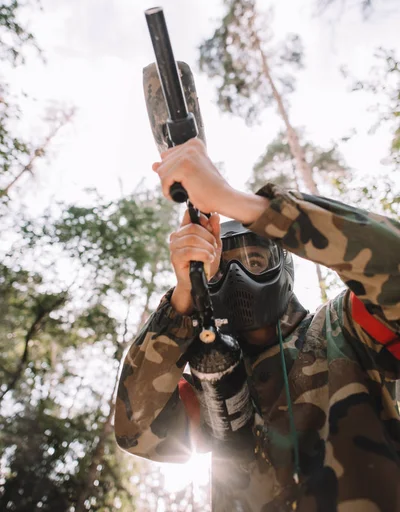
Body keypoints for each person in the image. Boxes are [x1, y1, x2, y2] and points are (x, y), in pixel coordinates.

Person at [115, 138, 400, 512]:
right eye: (220, 269)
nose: (237, 275)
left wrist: (243, 204)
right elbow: (135, 430)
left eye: (254, 258)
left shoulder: (346, 328)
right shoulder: (214, 378)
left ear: (284, 263)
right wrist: (184, 295)